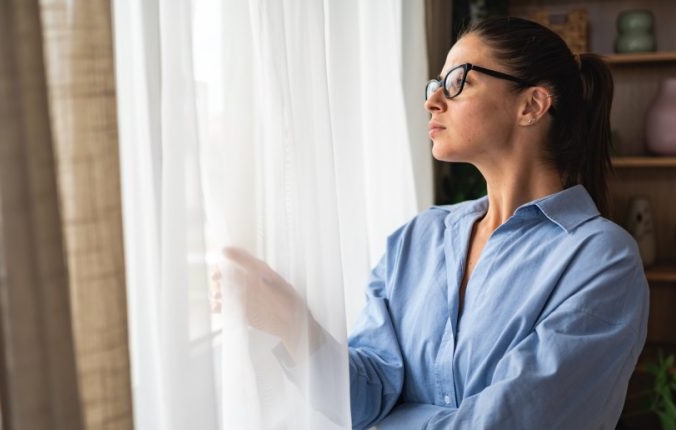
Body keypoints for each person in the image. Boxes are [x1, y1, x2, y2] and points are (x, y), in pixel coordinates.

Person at [213, 16, 648, 429]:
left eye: (458, 81)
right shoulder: (417, 239)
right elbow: (365, 400)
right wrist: (293, 324)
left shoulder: (601, 258)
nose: (432, 101)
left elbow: (510, 422)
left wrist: (393, 420)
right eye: (436, 84)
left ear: (531, 105)